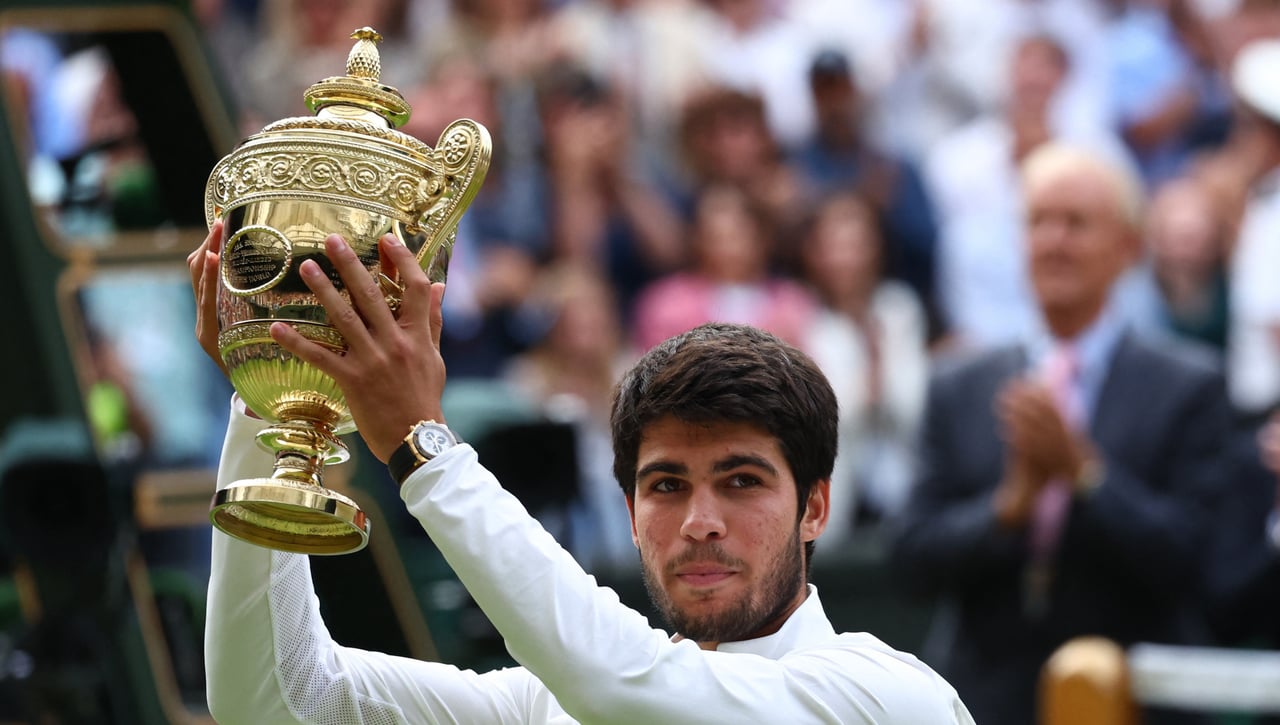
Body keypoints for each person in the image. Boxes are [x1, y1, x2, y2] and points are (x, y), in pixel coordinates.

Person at [189, 222, 975, 723]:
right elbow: (276, 697)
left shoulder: (888, 695)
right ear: (630, 513)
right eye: (667, 485)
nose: (700, 519)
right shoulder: (547, 703)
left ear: (816, 508)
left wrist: (422, 447)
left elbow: (628, 688)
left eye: (741, 480)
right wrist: (274, 397)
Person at [890, 142, 1231, 725]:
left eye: (1076, 223)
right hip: (983, 700)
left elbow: (1199, 563)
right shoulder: (960, 386)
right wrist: (1007, 510)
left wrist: (1086, 477)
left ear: (1127, 248)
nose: (1054, 240)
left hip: (1136, 699)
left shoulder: (1189, 384)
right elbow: (911, 559)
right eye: (1038, 222)